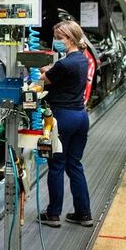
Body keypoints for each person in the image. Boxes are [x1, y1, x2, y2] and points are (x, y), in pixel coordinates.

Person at [38, 20, 93, 228]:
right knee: (74, 164)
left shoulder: (64, 64)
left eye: (59, 38)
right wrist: (52, 69)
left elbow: (45, 80)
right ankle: (83, 213)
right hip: (81, 117)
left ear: (69, 39)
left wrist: (43, 71)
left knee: (57, 165)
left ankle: (53, 214)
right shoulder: (82, 59)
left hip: (62, 118)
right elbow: (60, 73)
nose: (56, 42)